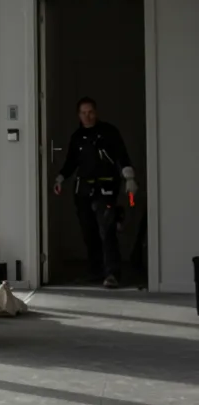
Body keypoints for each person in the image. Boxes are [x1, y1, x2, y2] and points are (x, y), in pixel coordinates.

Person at [54, 97, 138, 289]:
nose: (88, 116)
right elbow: (71, 162)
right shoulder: (77, 137)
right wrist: (60, 179)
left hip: (105, 189)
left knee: (106, 230)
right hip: (83, 191)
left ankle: (112, 273)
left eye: (90, 112)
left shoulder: (109, 132)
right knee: (89, 232)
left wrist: (129, 178)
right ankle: (96, 271)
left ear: (96, 112)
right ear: (79, 115)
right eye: (84, 113)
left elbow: (121, 155)